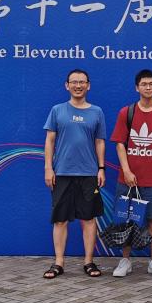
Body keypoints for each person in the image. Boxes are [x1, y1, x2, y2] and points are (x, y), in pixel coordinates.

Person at [110, 69, 152, 277]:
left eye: (151, 84)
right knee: (125, 220)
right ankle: (125, 261)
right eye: (143, 84)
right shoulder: (126, 112)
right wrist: (126, 170)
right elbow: (120, 144)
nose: (147, 87)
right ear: (136, 88)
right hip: (128, 180)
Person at [42, 69, 106, 279]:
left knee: (88, 219)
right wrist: (48, 168)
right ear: (67, 85)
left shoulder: (97, 112)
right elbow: (50, 140)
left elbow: (99, 142)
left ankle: (89, 261)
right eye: (74, 82)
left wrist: (101, 168)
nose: (78, 86)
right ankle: (58, 262)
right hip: (62, 173)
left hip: (88, 174)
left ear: (88, 85)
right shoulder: (57, 110)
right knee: (60, 220)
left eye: (82, 82)